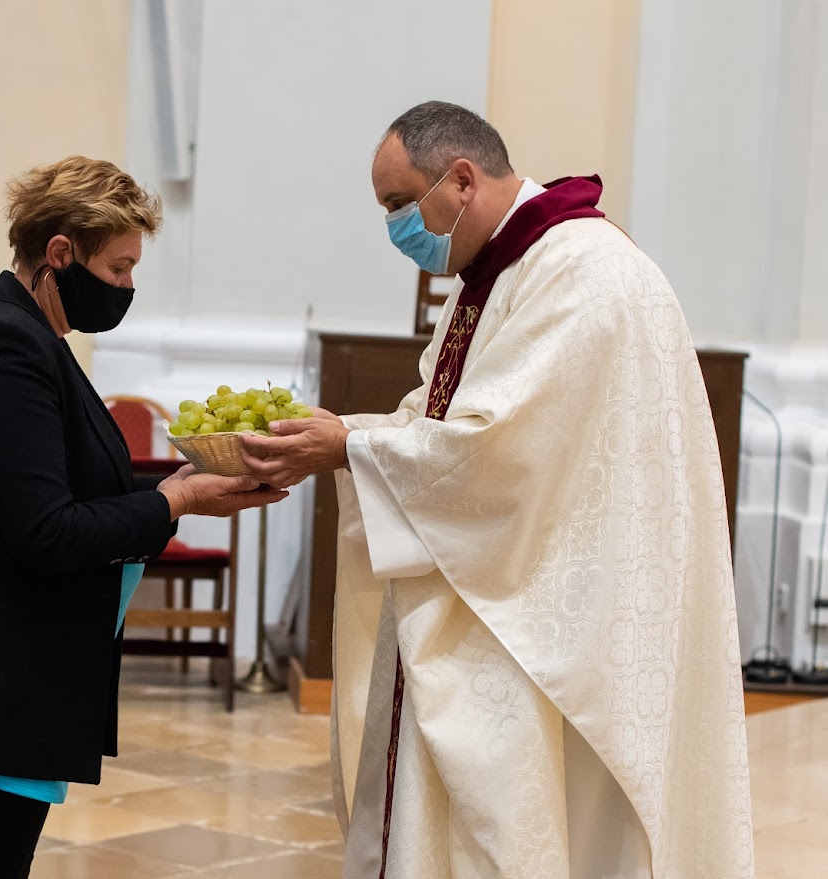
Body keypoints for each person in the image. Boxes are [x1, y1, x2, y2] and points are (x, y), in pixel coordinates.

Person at [239, 102, 753, 878]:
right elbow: (443, 424)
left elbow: (501, 454)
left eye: (398, 204)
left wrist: (348, 446)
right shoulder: (508, 269)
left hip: (558, 622)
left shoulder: (580, 273)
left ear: (462, 180)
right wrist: (345, 437)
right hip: (515, 588)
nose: (395, 228)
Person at [0, 156, 285, 878]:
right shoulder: (4, 346)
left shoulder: (40, 342)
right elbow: (47, 531)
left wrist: (182, 483)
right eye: (119, 268)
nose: (127, 287)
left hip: (20, 673)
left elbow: (73, 491)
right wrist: (180, 500)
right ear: (60, 253)